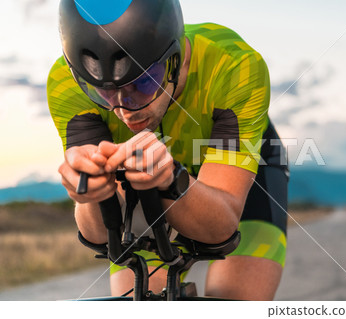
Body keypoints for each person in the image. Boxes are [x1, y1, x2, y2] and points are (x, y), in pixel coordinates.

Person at [47, 0, 288, 300]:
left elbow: (220, 229)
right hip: (149, 182)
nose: (123, 110)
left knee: (234, 302)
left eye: (143, 84)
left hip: (249, 178)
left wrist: (169, 178)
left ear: (176, 58)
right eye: (104, 90)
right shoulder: (64, 84)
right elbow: (98, 235)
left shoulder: (235, 65)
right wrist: (92, 195)